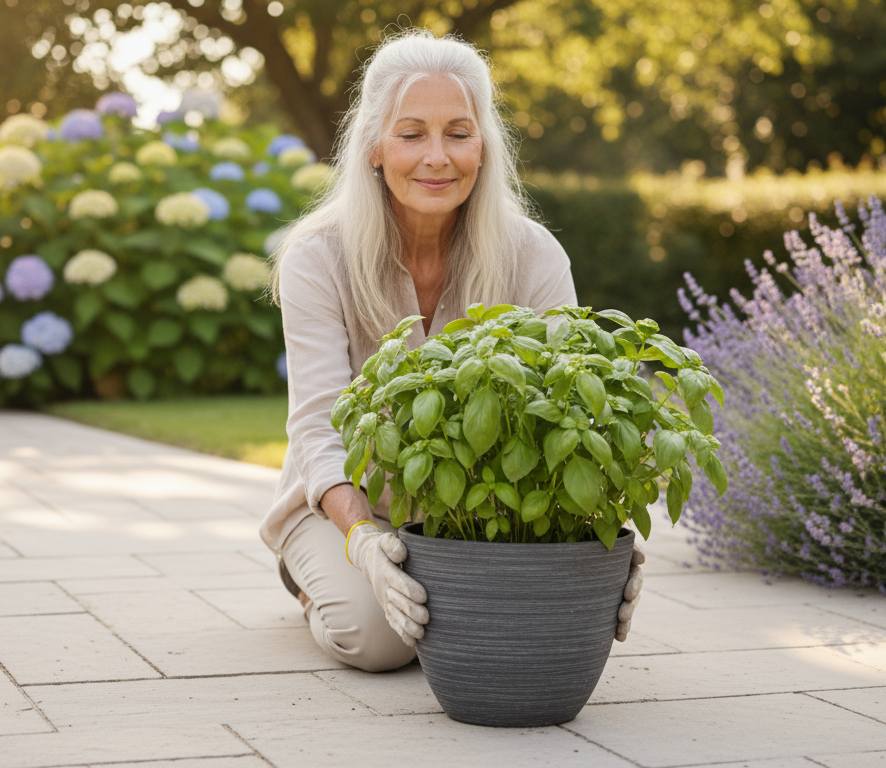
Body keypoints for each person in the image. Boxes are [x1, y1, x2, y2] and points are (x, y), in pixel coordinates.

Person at [262, 30, 646, 673]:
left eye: (458, 132)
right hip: (343, 506)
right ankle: (309, 576)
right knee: (380, 642)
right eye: (411, 134)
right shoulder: (317, 258)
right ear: (374, 148)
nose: (436, 157)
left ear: (485, 147)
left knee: (512, 632)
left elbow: (575, 412)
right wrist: (360, 540)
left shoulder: (533, 256)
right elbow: (317, 426)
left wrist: (606, 543)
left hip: (475, 509)